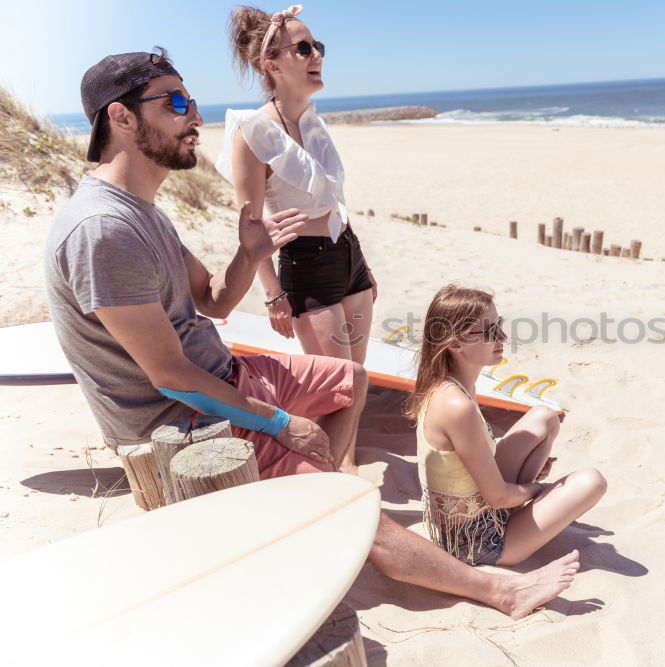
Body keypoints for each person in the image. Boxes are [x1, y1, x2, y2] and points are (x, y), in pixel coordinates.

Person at [43, 49, 579, 620]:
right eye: (176, 102)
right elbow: (170, 376)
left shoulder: (142, 210)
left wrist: (251, 255)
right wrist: (278, 421)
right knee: (342, 501)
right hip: (181, 420)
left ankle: (333, 476)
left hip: (224, 375)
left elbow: (214, 299)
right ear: (121, 118)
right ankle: (496, 589)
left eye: (192, 100)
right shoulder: (103, 229)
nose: (195, 114)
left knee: (351, 376)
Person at [216, 4, 374, 368]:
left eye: (317, 45)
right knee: (338, 388)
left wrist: (363, 267)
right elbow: (251, 227)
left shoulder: (313, 122)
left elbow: (335, 200)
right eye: (303, 48)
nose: (317, 54)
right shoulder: (254, 132)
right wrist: (273, 294)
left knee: (358, 379)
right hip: (307, 265)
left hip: (349, 255)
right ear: (271, 65)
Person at [406, 284, 607, 566]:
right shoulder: (456, 406)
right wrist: (539, 490)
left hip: (474, 511)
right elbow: (498, 496)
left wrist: (526, 479)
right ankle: (524, 510)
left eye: (498, 325)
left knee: (544, 417)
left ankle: (523, 505)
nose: (502, 336)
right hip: (475, 541)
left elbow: (466, 463)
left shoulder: (450, 383)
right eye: (489, 332)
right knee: (592, 481)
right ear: (455, 344)